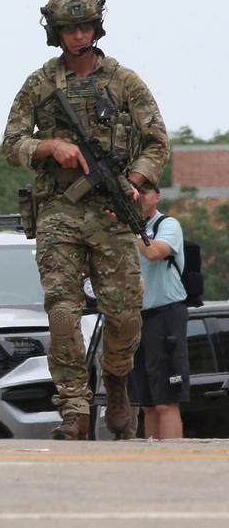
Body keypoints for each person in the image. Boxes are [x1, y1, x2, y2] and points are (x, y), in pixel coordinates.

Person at [1, 0, 169, 440]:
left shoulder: (123, 81)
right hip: (59, 210)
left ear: (97, 27)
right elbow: (11, 143)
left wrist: (134, 182)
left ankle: (115, 377)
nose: (79, 35)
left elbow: (157, 141)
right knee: (62, 310)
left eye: (86, 26)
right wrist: (48, 146)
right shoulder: (40, 83)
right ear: (56, 33)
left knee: (125, 315)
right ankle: (73, 407)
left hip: (112, 214)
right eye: (70, 28)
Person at [130, 180, 189, 439]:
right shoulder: (125, 228)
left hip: (165, 314)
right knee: (148, 404)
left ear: (157, 195)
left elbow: (155, 252)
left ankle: (173, 461)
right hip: (135, 317)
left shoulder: (167, 225)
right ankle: (150, 462)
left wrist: (128, 229)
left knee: (166, 400)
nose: (139, 197)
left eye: (144, 192)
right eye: (133, 193)